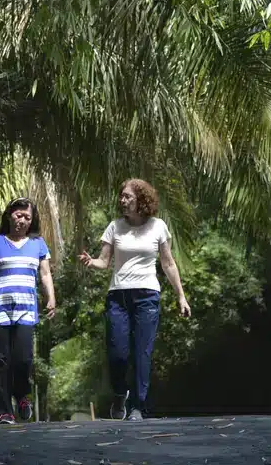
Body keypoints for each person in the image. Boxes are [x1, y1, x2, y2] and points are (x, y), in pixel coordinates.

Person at [80, 179, 190, 421]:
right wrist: (92, 262)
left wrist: (181, 296)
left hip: (148, 295)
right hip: (118, 296)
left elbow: (168, 263)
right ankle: (120, 393)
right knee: (118, 353)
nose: (123, 200)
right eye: (121, 196)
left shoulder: (158, 226)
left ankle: (138, 407)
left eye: (128, 196)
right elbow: (104, 261)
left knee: (143, 353)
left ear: (142, 199)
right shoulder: (115, 227)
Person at [0, 197, 57, 424]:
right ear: (9, 215)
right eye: (19, 215)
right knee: (1, 361)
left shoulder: (38, 244)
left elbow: (45, 274)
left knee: (24, 358)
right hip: (0, 311)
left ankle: (22, 395)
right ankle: (4, 411)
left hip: (27, 310)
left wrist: (51, 298)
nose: (23, 221)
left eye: (27, 217)